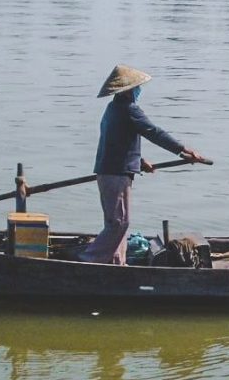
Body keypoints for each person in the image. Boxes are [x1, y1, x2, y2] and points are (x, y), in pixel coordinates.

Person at [79, 64, 206, 264]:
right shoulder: (129, 110)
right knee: (119, 223)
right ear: (129, 91)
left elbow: (118, 142)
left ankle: (116, 262)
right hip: (115, 174)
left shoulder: (113, 109)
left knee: (117, 222)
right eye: (136, 88)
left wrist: (138, 161)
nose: (139, 91)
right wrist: (183, 150)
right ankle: (88, 260)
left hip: (111, 171)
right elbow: (153, 132)